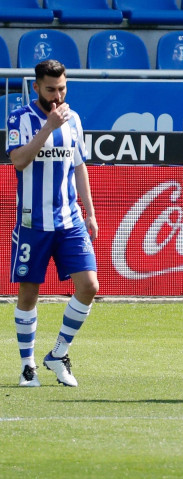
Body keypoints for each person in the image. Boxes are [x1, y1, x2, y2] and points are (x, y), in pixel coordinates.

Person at [6, 59, 99, 388]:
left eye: (62, 88)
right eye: (50, 89)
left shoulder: (73, 120)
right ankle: (27, 365)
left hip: (69, 220)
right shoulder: (20, 119)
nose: (57, 96)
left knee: (89, 286)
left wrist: (90, 211)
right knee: (29, 294)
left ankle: (58, 353)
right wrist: (47, 127)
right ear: (36, 88)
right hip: (33, 222)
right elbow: (17, 160)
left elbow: (80, 165)